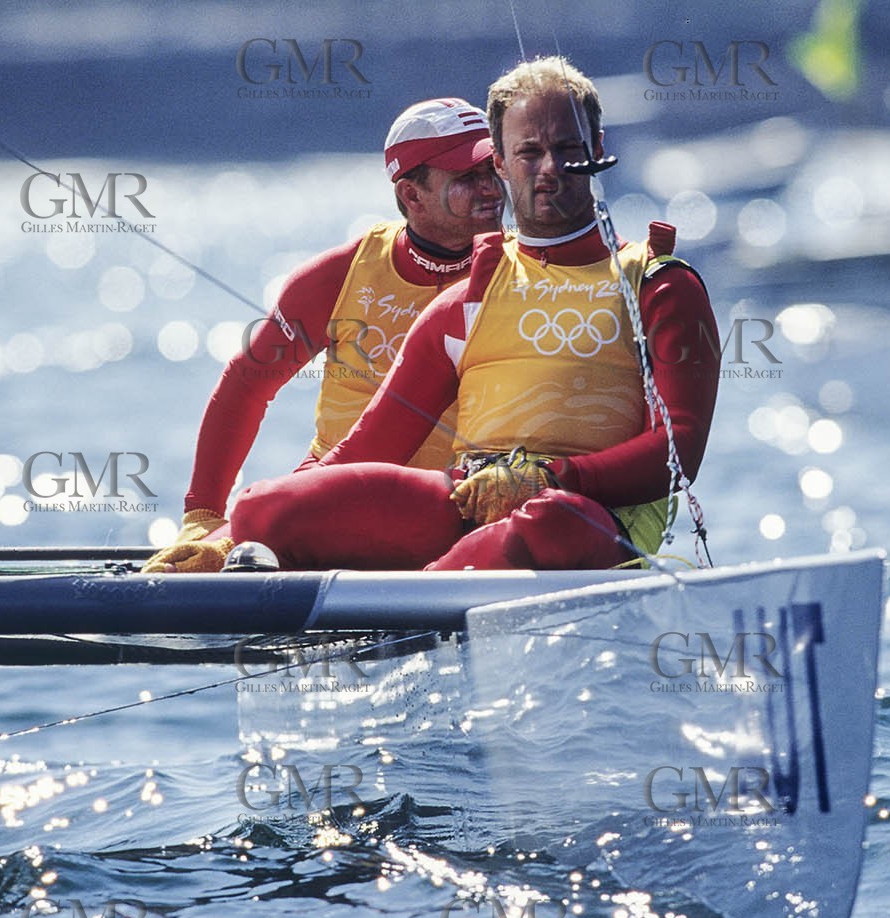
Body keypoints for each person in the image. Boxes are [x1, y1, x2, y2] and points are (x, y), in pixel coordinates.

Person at [179, 57, 720, 571]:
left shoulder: (659, 284)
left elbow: (680, 451)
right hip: (465, 508)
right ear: (504, 163)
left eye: (567, 149)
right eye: (529, 153)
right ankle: (402, 585)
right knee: (263, 506)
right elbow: (364, 447)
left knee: (553, 517)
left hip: (587, 521)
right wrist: (224, 535)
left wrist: (550, 478)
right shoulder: (464, 297)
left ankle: (410, 599)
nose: (550, 169)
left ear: (598, 148)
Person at [144, 97, 504, 572]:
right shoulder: (339, 276)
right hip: (334, 495)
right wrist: (202, 515)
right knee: (199, 556)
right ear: (411, 195)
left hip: (463, 501)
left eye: (493, 170)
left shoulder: (523, 272)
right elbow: (246, 386)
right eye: (467, 177)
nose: (490, 189)